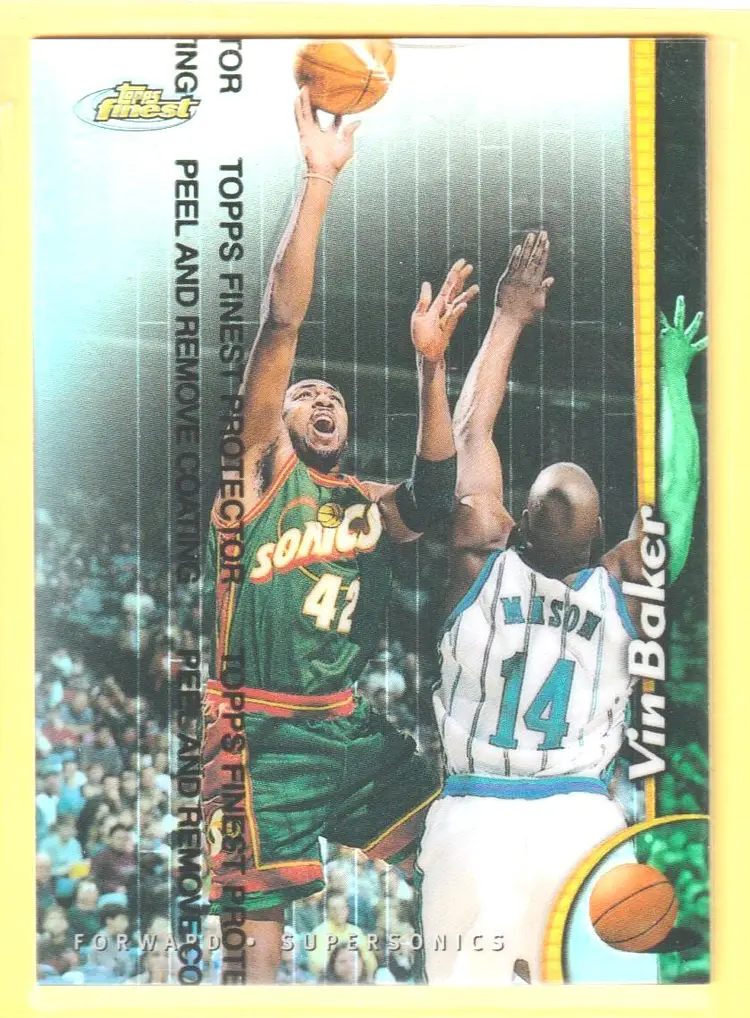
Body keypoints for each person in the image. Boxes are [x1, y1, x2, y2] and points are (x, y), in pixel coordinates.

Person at [200, 86, 478, 984]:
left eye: (335, 397)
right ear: (276, 421)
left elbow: (434, 496)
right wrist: (319, 179)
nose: (323, 399)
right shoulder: (256, 476)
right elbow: (282, 323)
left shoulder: (365, 501)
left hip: (346, 728)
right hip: (258, 733)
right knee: (256, 950)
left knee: (457, 847)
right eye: (305, 395)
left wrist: (432, 368)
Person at [417, 232, 706, 984]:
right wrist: (674, 375)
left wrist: (509, 316)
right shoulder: (624, 590)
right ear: (602, 533)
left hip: (474, 818)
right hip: (580, 821)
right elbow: (678, 490)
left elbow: (472, 429)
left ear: (518, 521)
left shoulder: (478, 559)